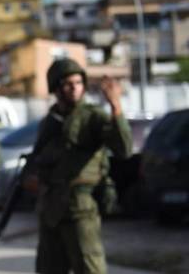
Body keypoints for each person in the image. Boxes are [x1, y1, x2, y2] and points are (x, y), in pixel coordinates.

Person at [25, 58, 132, 274]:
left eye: (78, 82)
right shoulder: (50, 122)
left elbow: (124, 149)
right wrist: (31, 178)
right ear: (55, 88)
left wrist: (116, 107)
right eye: (67, 83)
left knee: (89, 267)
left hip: (80, 207)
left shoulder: (92, 116)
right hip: (51, 206)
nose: (74, 88)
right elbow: (39, 157)